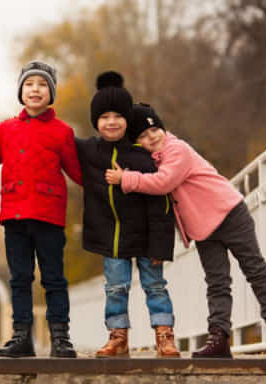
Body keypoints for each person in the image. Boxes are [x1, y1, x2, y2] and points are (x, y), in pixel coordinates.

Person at [115, 102, 266, 357]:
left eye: (154, 130)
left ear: (162, 128)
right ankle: (219, 339)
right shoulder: (152, 160)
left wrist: (127, 179)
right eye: (143, 136)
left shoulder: (177, 150)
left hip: (230, 214)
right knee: (217, 283)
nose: (151, 137)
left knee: (255, 270)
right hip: (203, 229)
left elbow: (163, 182)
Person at [0, 60, 82, 358]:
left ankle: (60, 337)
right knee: (19, 278)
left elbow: (78, 171)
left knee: (54, 278)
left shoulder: (62, 132)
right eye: (29, 84)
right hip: (14, 216)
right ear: (21, 92)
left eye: (41, 85)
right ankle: (21, 336)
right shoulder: (6, 129)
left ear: (51, 93)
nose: (35, 90)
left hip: (49, 215)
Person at [76, 72, 179, 358]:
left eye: (118, 116)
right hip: (112, 238)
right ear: (96, 121)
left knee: (155, 286)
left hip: (147, 238)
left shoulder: (142, 156)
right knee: (115, 288)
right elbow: (58, 143)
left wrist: (161, 245)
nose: (111, 122)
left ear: (127, 119)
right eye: (104, 116)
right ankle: (118, 337)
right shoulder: (89, 151)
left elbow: (162, 205)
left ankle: (165, 335)